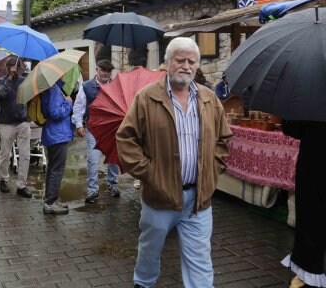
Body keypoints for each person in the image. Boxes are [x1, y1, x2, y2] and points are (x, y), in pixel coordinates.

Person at [116, 37, 232, 288]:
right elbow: (126, 139)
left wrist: (212, 171)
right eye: (180, 60)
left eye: (192, 61)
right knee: (150, 248)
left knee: (200, 257)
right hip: (160, 196)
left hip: (198, 198)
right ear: (167, 62)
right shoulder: (146, 98)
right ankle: (143, 282)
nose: (186, 66)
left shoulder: (209, 99)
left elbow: (223, 139)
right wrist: (150, 174)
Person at [281, 120, 326, 288]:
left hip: (316, 162)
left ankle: (308, 274)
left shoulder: (309, 96)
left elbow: (292, 128)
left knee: (311, 217)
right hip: (315, 161)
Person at [72, 59, 121, 203]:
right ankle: (92, 190)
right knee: (93, 160)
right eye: (103, 70)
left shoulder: (115, 85)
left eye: (108, 71)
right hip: (93, 128)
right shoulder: (86, 86)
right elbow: (78, 106)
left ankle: (112, 184)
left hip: (112, 128)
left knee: (113, 158)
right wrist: (79, 125)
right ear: (97, 70)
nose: (105, 73)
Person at [0, 56, 32, 198]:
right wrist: (9, 79)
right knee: (5, 154)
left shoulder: (24, 81)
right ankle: (3, 179)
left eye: (16, 66)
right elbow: (2, 94)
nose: (14, 68)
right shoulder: (0, 81)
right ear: (7, 67)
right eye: (11, 66)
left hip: (22, 122)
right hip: (6, 123)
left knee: (25, 155)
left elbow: (29, 98)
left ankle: (22, 185)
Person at [40, 78, 73, 215]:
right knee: (57, 170)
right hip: (58, 134)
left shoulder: (50, 88)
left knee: (53, 168)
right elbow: (55, 113)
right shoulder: (53, 89)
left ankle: (50, 199)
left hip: (53, 134)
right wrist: (68, 103)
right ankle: (50, 203)